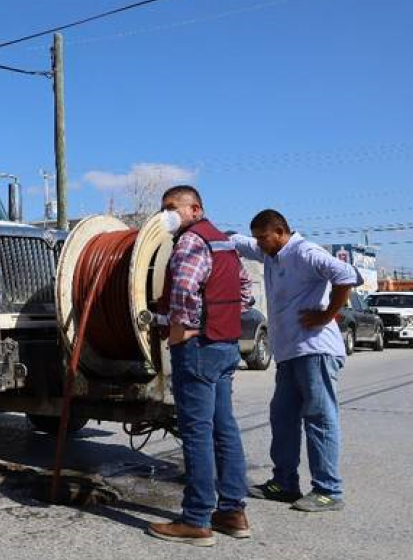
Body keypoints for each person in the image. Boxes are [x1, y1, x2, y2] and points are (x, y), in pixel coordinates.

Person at [232, 210, 361, 513]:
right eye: (257, 239)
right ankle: (284, 483)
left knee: (319, 418)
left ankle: (328, 491)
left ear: (280, 232)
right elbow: (236, 241)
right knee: (283, 417)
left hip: (315, 350)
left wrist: (327, 315)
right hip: (289, 352)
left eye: (263, 238)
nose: (259, 244)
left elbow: (347, 276)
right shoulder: (270, 253)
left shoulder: (305, 252)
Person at [147, 186, 253, 547]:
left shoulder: (190, 241)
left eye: (172, 208)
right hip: (225, 344)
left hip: (198, 348)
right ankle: (232, 512)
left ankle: (195, 519)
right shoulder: (224, 243)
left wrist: (182, 326)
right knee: (224, 429)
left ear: (196, 209)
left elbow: (183, 291)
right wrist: (218, 318)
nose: (166, 215)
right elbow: (245, 292)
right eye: (163, 209)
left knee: (196, 432)